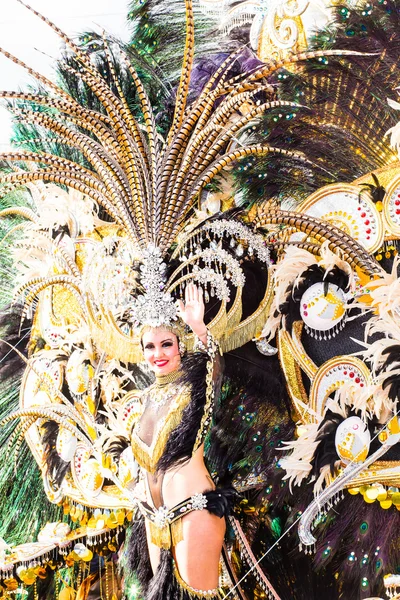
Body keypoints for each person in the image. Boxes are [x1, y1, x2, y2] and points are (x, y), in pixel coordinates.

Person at [125, 283, 234, 599]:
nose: (157, 354)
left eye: (166, 344)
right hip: (153, 516)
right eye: (149, 346)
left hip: (192, 511)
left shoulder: (193, 389)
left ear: (180, 347)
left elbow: (213, 367)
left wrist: (198, 328)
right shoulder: (145, 397)